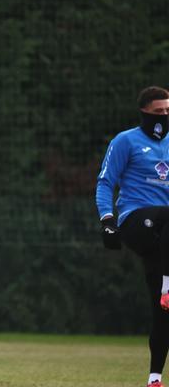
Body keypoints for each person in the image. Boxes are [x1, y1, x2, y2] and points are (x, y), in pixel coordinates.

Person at [96, 86, 169, 387]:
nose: (164, 116)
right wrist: (107, 221)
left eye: (168, 111)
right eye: (158, 112)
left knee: (162, 312)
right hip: (136, 221)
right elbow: (105, 183)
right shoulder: (125, 141)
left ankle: (154, 379)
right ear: (144, 112)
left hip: (165, 238)